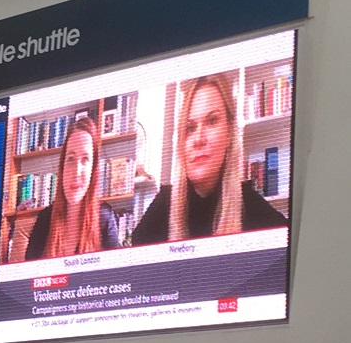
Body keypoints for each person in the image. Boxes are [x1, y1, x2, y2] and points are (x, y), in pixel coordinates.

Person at [132, 72, 287, 244]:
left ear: (229, 133)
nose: (198, 139)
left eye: (212, 121)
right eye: (190, 128)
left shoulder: (255, 211)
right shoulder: (161, 210)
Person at [24, 117, 119, 260]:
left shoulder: (104, 216)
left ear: (93, 169)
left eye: (85, 159)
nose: (76, 171)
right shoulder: (44, 219)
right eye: (71, 159)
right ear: (62, 168)